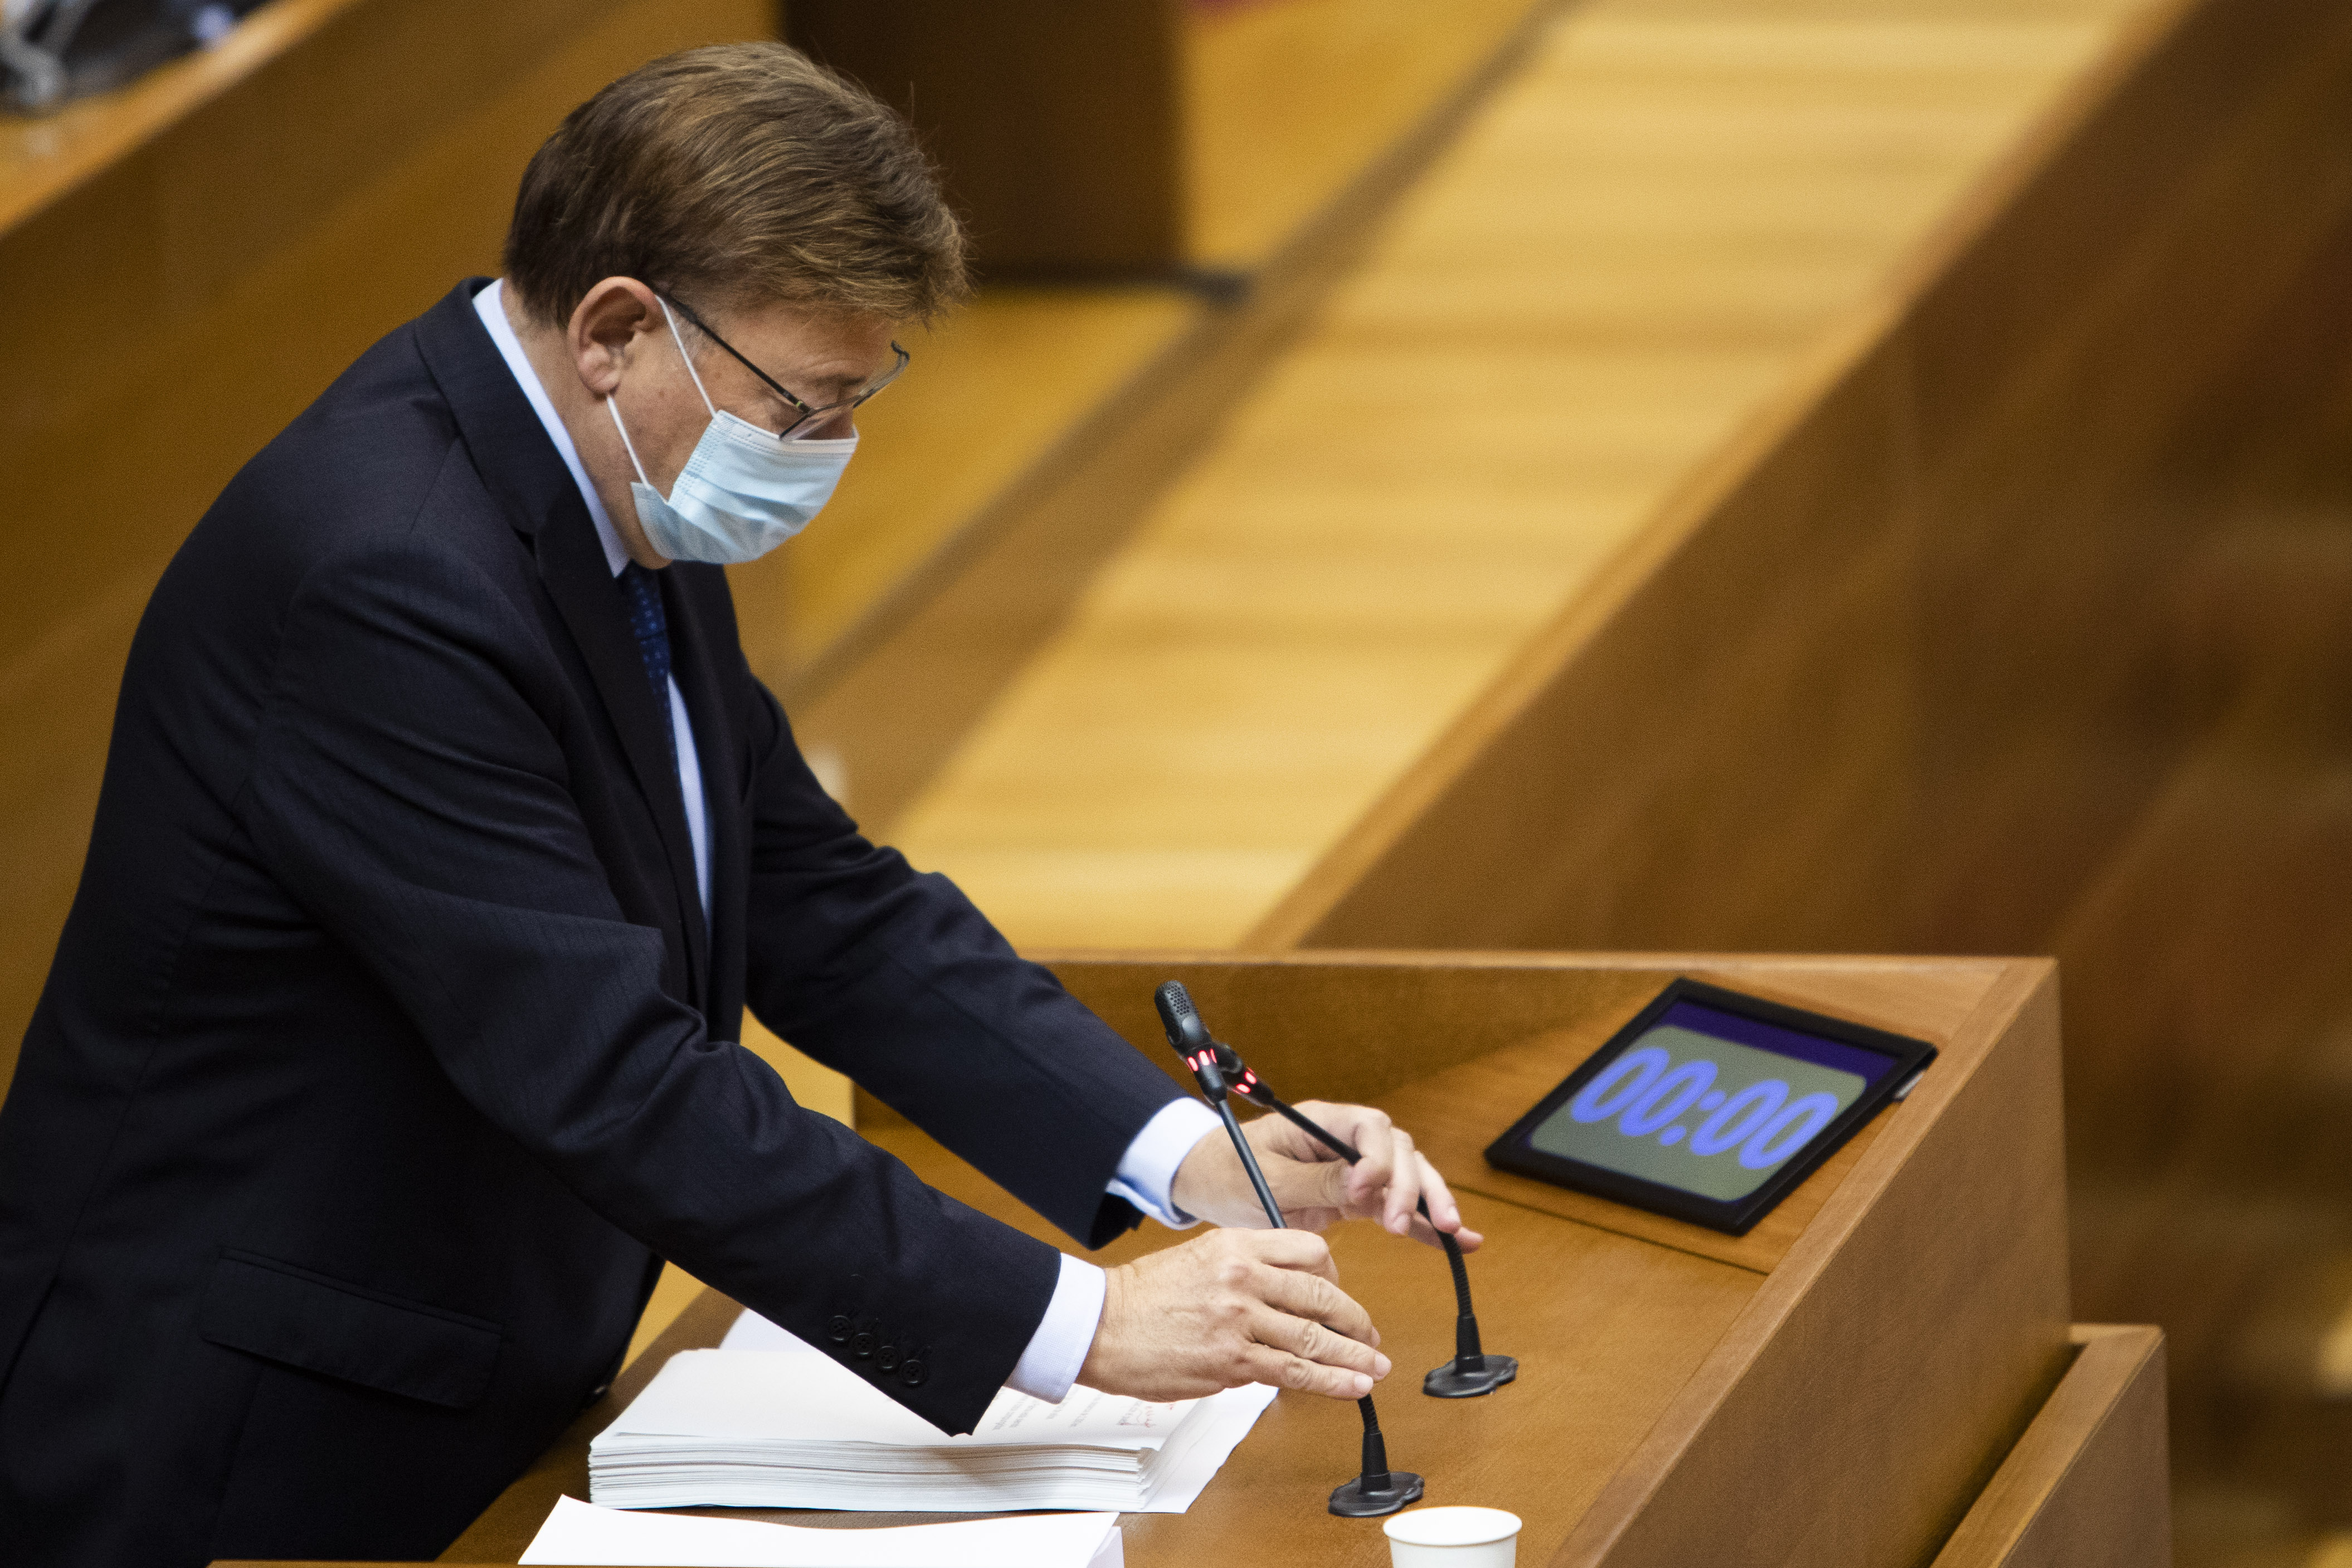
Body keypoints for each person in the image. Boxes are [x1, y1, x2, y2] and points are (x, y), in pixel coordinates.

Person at [0, 42, 1481, 1566]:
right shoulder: (387, 578)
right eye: (803, 405)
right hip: (230, 1442)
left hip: (456, 1367)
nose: (824, 453)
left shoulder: (617, 477)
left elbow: (816, 898)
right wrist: (1083, 1323)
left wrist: (1186, 1152)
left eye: (855, 401)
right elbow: (612, 1076)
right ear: (617, 330)